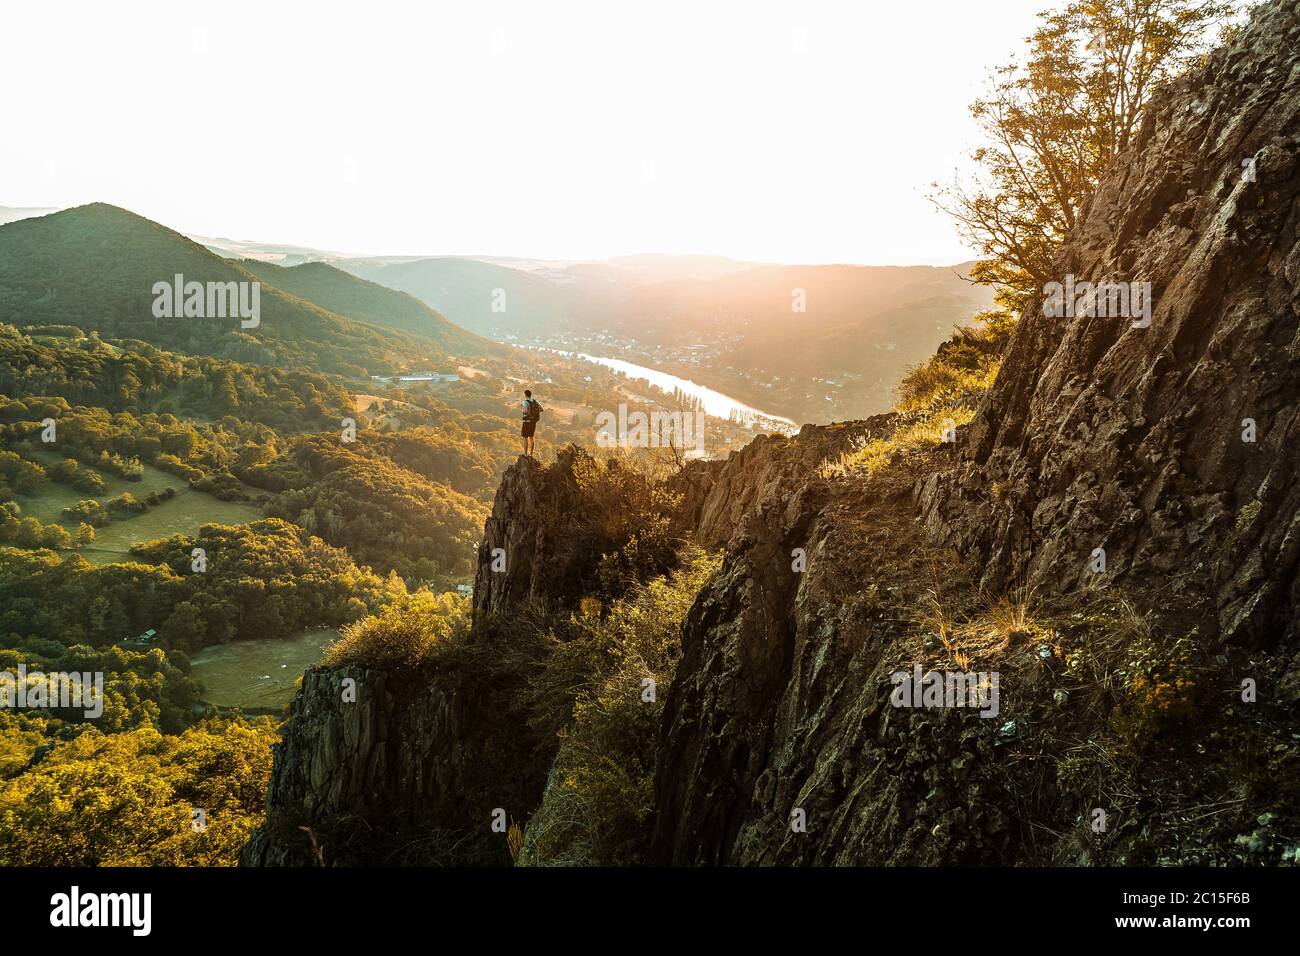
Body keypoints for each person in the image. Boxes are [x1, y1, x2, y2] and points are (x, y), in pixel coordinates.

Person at [520, 388, 543, 456]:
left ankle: (525, 453)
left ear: (525, 395)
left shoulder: (525, 402)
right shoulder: (535, 401)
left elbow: (525, 411)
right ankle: (531, 453)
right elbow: (541, 409)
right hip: (533, 422)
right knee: (531, 437)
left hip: (527, 422)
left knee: (525, 437)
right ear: (530, 394)